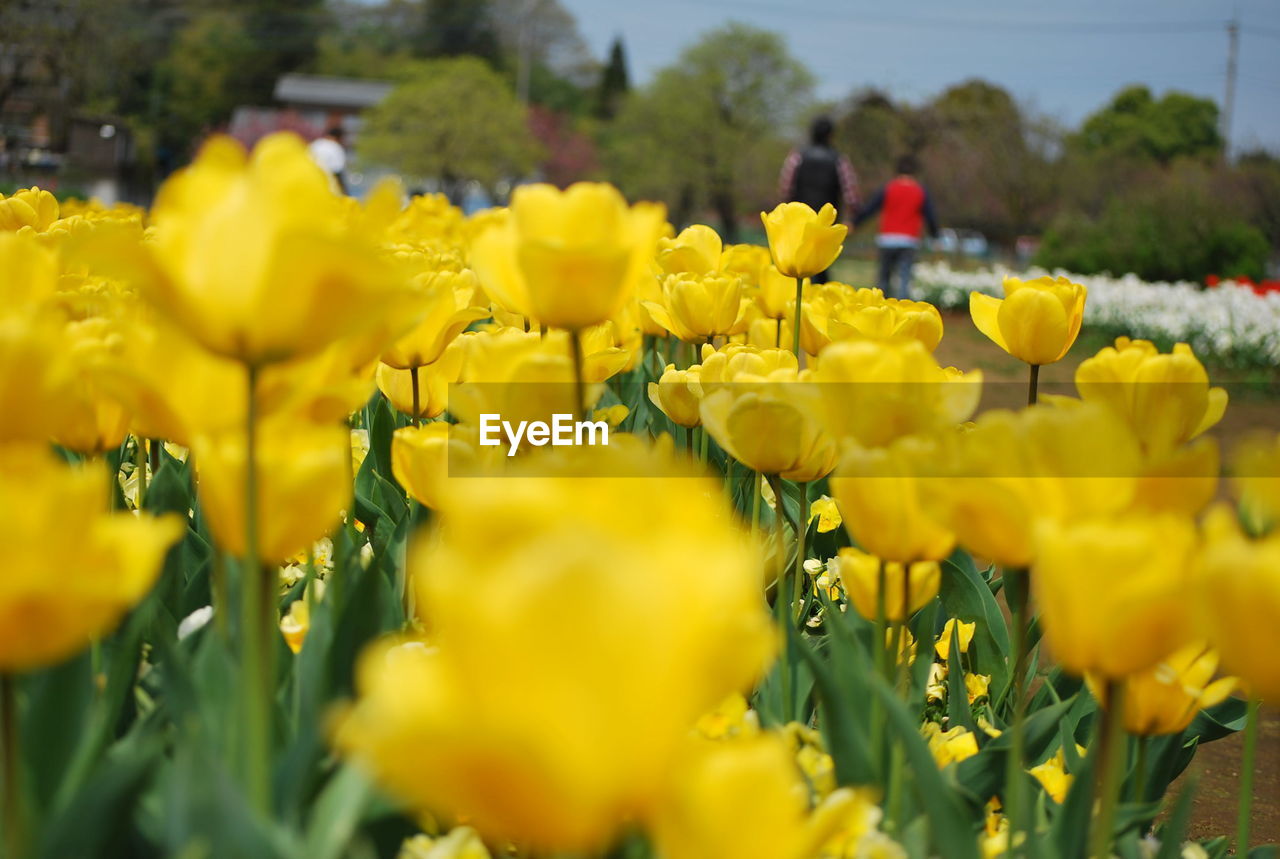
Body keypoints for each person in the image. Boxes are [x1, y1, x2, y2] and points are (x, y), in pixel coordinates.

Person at [777, 116, 858, 283]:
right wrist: (852, 217)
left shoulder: (798, 156)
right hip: (826, 218)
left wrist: (783, 209)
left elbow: (786, 185)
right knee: (820, 263)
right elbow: (850, 192)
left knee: (798, 258)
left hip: (798, 218)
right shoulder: (838, 160)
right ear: (831, 135)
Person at [854, 154, 938, 300]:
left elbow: (870, 209)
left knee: (884, 278)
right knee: (904, 279)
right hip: (909, 240)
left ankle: (880, 307)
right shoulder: (920, 191)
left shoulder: (888, 188)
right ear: (915, 172)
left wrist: (855, 222)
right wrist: (935, 235)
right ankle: (903, 311)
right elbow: (930, 216)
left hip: (887, 239)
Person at [308, 126, 348, 194]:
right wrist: (345, 193)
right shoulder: (336, 148)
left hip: (309, 181)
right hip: (326, 186)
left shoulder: (315, 144)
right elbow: (338, 172)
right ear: (339, 138)